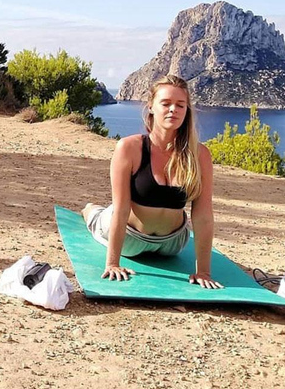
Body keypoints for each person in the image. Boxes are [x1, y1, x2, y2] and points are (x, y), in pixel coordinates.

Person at [82, 74, 223, 289]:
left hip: (172, 243)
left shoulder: (199, 154)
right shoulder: (129, 148)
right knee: (99, 215)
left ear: (187, 111)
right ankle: (90, 210)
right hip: (130, 238)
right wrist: (112, 263)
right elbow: (121, 209)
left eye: (180, 105)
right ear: (151, 107)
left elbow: (203, 214)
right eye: (165, 103)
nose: (173, 110)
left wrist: (203, 271)